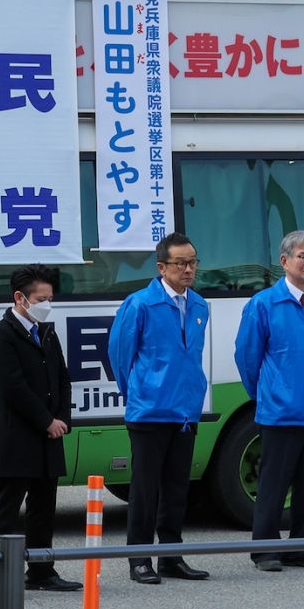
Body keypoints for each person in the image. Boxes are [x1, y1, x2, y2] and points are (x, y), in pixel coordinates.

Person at [106, 234, 211, 586]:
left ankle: (171, 555)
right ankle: (138, 558)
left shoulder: (199, 305)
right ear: (161, 267)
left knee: (178, 487)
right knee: (145, 489)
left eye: (193, 262)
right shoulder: (140, 304)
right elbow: (120, 354)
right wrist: (136, 390)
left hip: (185, 410)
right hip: (149, 410)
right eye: (180, 263)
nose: (188, 269)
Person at [234, 231, 304, 573]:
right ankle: (265, 549)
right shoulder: (264, 303)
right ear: (285, 261)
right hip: (280, 410)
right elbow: (247, 358)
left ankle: (301, 546)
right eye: (303, 256)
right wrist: (266, 392)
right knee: (273, 484)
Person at [0, 265, 81, 596]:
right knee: (7, 506)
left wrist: (61, 418)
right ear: (20, 298)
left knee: (44, 505)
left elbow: (62, 379)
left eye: (50, 298)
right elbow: (13, 388)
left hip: (48, 435)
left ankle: (41, 569)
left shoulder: (46, 332)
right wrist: (45, 421)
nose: (46, 304)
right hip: (17, 436)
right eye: (41, 298)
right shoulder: (1, 335)